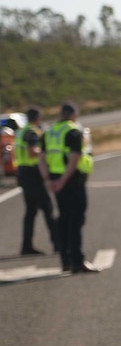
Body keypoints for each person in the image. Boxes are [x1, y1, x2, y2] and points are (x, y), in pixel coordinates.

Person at [39, 102, 99, 274]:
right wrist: (64, 180)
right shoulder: (73, 131)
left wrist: (47, 180)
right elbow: (75, 158)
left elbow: (41, 159)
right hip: (72, 181)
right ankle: (77, 262)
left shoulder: (49, 133)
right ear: (74, 115)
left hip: (55, 180)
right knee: (76, 221)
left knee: (63, 219)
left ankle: (65, 261)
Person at [15, 107, 58, 255]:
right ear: (37, 118)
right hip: (33, 174)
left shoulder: (21, 131)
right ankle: (58, 243)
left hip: (23, 172)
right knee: (47, 208)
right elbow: (32, 152)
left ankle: (26, 246)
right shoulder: (32, 132)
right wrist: (45, 152)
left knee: (31, 211)